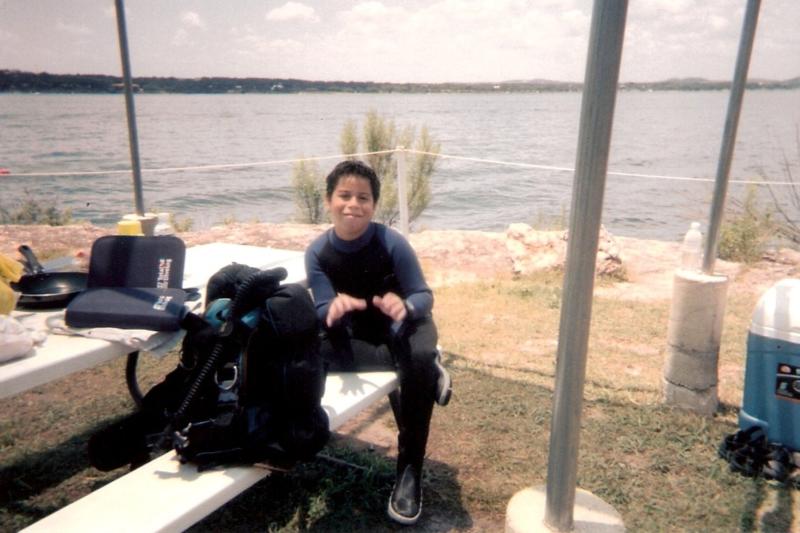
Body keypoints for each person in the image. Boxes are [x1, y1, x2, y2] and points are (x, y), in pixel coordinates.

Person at [305, 159, 451, 525]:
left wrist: (405, 305)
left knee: (414, 360)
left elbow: (424, 295)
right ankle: (427, 366)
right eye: (344, 195)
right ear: (328, 201)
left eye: (364, 198)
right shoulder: (317, 253)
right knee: (308, 351)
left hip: (407, 324)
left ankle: (409, 472)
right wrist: (333, 308)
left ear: (374, 205)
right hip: (363, 333)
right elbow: (323, 307)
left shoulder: (391, 243)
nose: (353, 204)